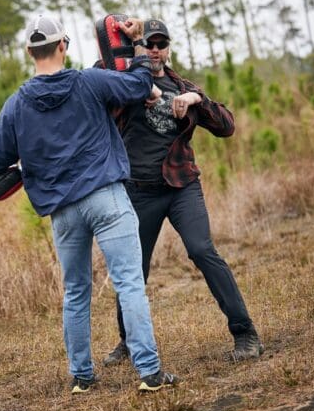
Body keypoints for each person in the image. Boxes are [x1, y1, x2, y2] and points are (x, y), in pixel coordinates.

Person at [0, 14, 178, 394]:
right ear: (63, 46)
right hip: (107, 197)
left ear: (28, 52)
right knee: (129, 283)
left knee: (75, 292)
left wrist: (27, 165)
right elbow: (139, 85)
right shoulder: (89, 82)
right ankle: (150, 373)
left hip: (63, 212)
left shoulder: (15, 105)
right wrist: (137, 46)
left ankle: (83, 378)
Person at [103, 19, 264, 367]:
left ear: (169, 47)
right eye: (149, 44)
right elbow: (101, 68)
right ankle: (128, 341)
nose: (156, 49)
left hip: (181, 186)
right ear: (142, 48)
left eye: (161, 43)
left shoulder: (182, 86)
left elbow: (227, 126)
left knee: (202, 250)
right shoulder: (124, 82)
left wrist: (196, 99)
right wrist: (129, 44)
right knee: (132, 268)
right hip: (139, 192)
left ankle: (245, 333)